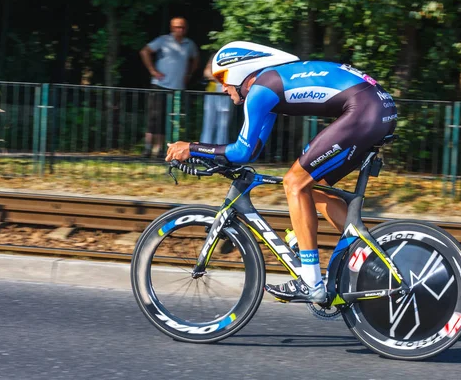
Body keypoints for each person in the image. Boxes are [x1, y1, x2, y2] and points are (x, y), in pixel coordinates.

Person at [165, 41, 397, 303]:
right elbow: (250, 152)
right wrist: (213, 156)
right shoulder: (272, 86)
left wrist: (193, 148)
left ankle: (311, 282)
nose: (222, 87)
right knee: (313, 185)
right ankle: (374, 263)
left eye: (223, 78)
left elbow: (241, 153)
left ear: (241, 72)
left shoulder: (261, 90)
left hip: (364, 110)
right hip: (378, 108)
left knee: (294, 182)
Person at [140, 17, 199, 158]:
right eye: (177, 27)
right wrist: (153, 70)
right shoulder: (163, 40)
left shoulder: (189, 44)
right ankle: (148, 147)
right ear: (172, 28)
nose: (180, 30)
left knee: (167, 118)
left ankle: (160, 148)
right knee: (153, 117)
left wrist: (189, 74)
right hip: (160, 85)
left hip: (177, 87)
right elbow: (145, 51)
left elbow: (196, 58)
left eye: (183, 27)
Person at [201, 54, 232, 144]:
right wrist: (219, 78)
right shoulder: (214, 56)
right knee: (208, 121)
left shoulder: (230, 59)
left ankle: (220, 146)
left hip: (224, 89)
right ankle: (205, 145)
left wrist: (215, 77)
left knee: (223, 122)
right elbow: (206, 72)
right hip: (212, 89)